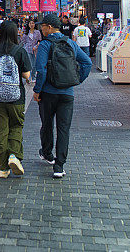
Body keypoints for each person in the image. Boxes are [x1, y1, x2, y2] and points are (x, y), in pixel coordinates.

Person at [33, 14, 92, 178]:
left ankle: (47, 153)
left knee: (46, 124)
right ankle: (59, 166)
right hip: (67, 94)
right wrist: (76, 81)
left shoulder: (45, 45)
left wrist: (37, 90)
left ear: (49, 27)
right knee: (63, 129)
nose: (41, 29)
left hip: (48, 93)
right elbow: (87, 62)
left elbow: (41, 70)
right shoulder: (70, 43)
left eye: (42, 26)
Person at [0, 21, 32, 179]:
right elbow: (27, 75)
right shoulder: (20, 51)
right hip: (16, 97)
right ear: (15, 33)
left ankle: (2, 168)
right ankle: (14, 156)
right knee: (16, 126)